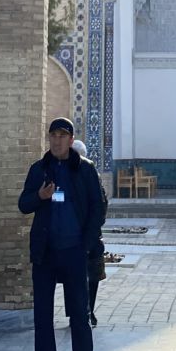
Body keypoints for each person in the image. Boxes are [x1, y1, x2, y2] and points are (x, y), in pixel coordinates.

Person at [19, 117, 101, 351]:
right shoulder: (39, 169)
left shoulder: (86, 171)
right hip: (45, 253)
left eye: (62, 136)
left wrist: (86, 245)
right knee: (42, 315)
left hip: (73, 253)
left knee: (79, 314)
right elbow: (23, 204)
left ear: (71, 139)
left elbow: (97, 208)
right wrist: (39, 196)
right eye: (53, 136)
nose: (56, 141)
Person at [72, 138, 108, 327]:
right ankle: (84, 312)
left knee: (89, 277)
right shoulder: (63, 174)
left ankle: (85, 312)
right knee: (79, 277)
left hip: (89, 238)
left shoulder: (92, 175)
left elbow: (100, 205)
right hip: (81, 237)